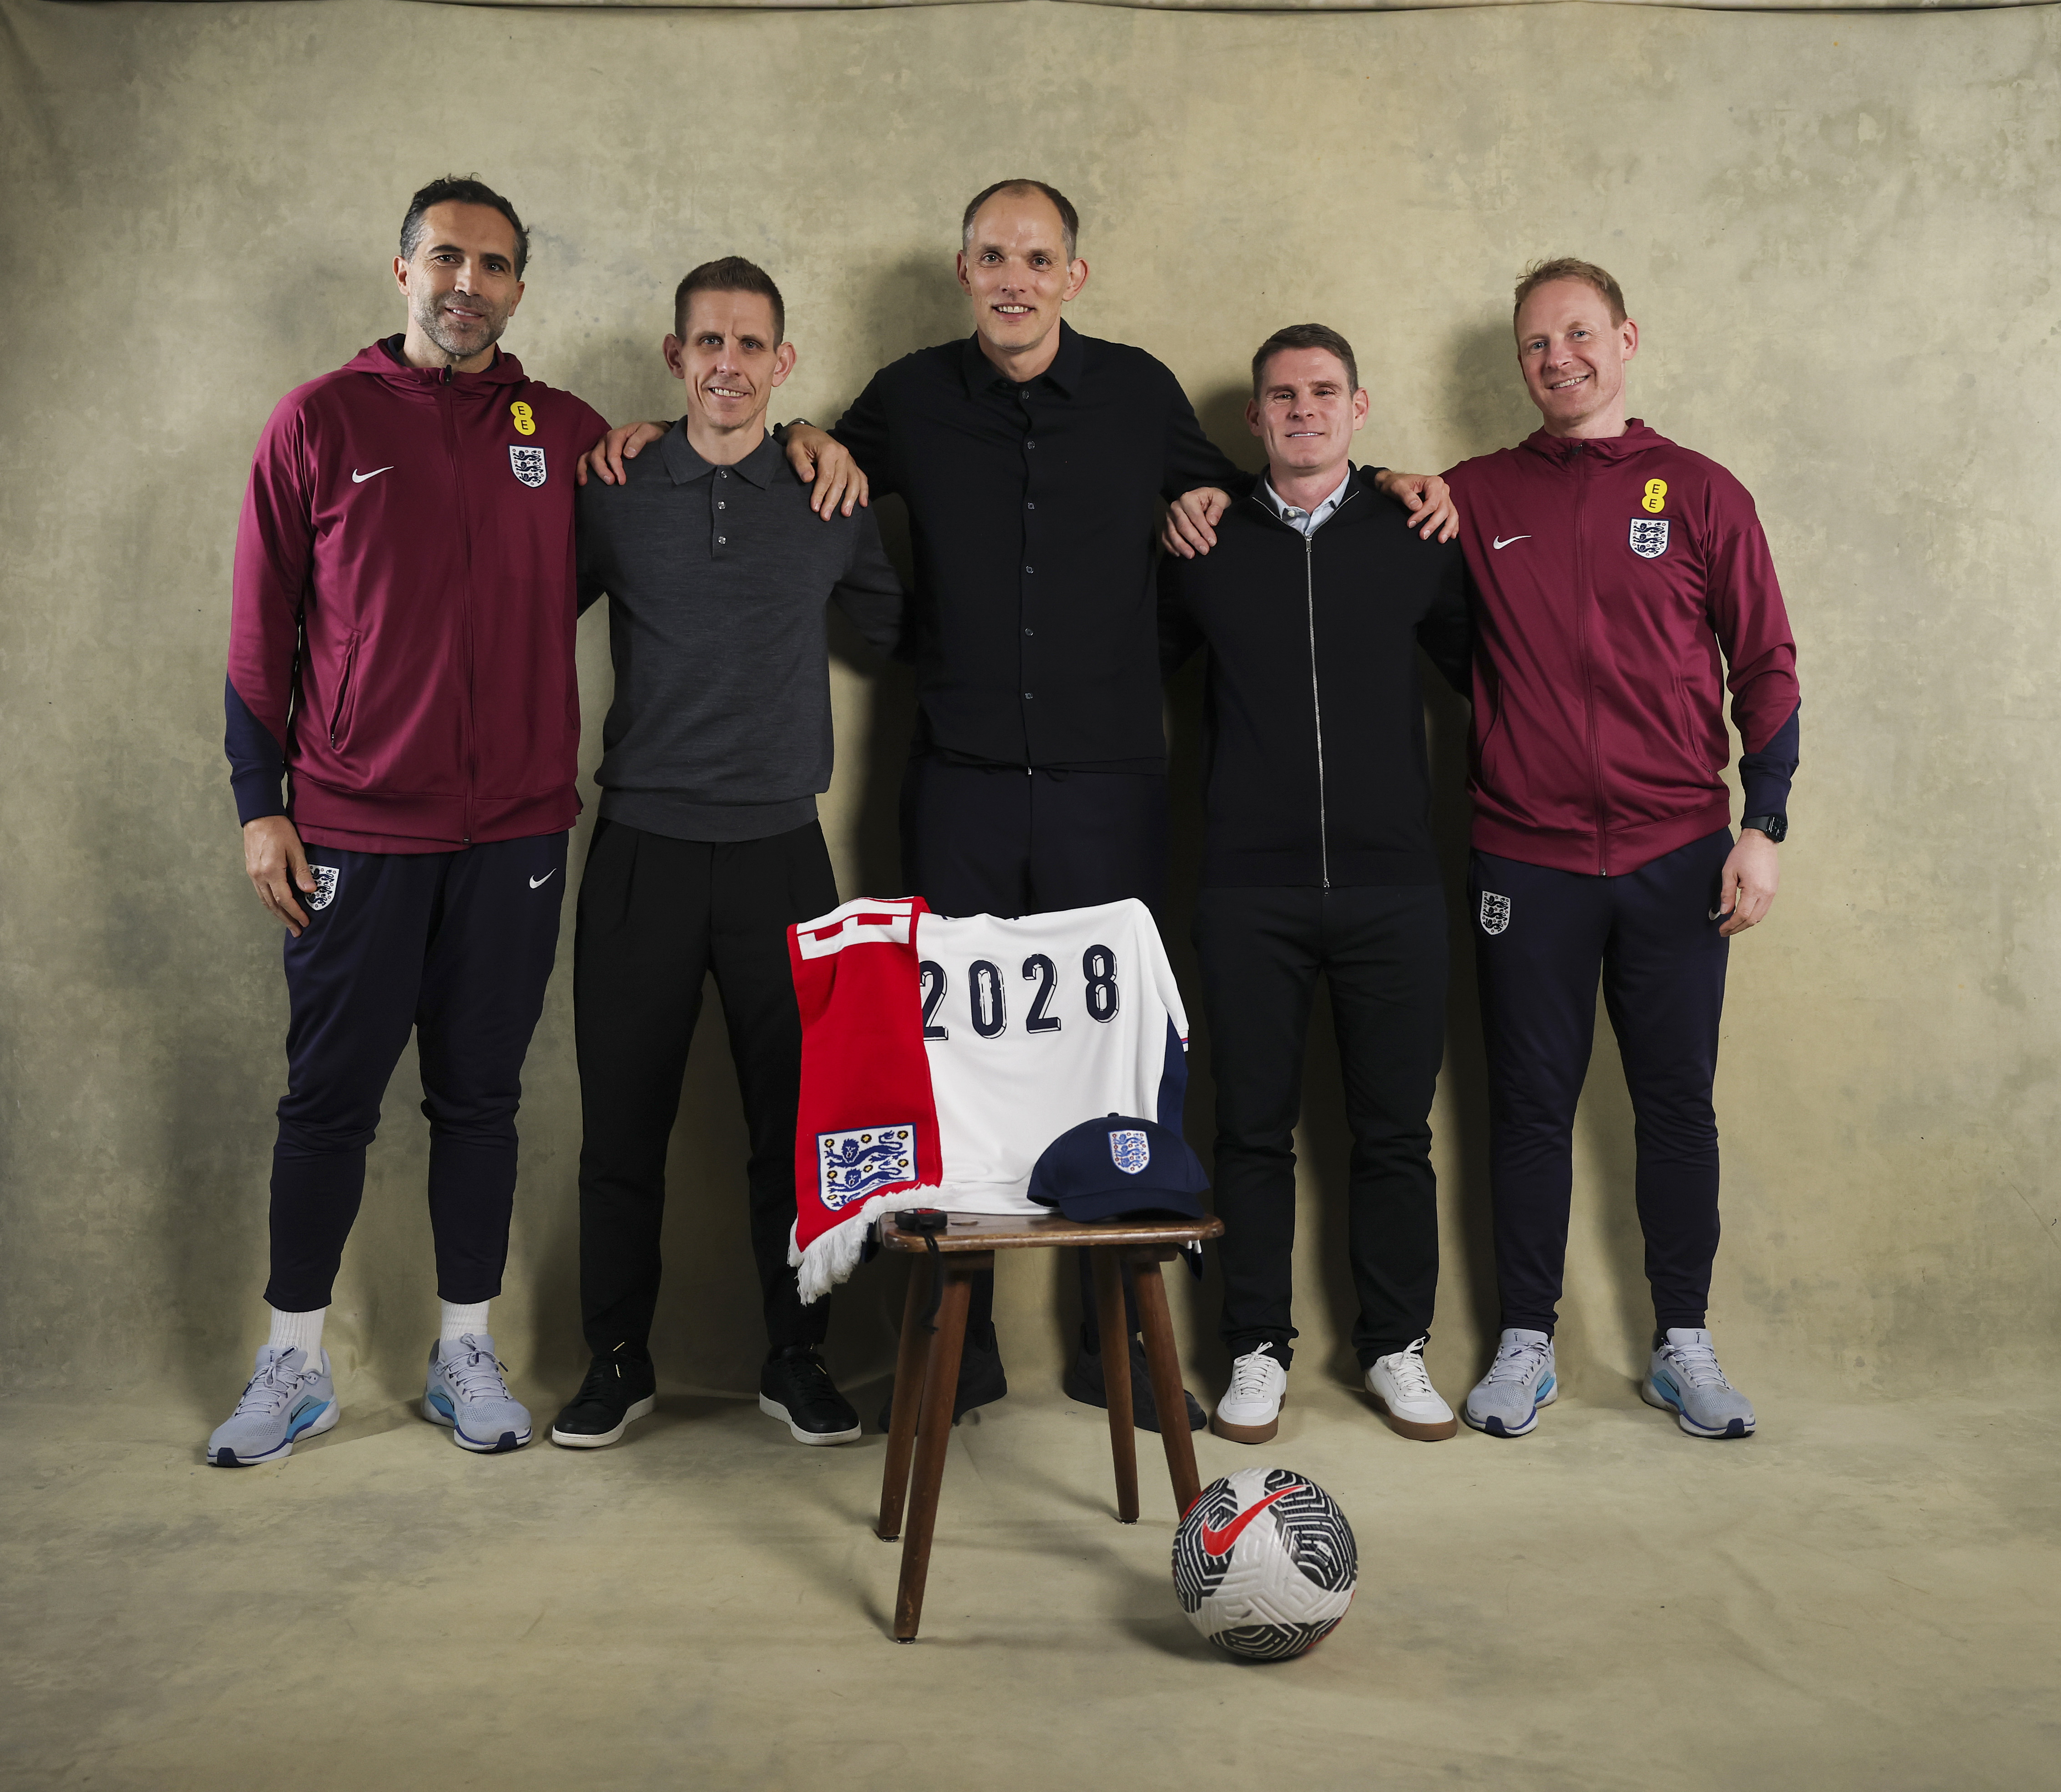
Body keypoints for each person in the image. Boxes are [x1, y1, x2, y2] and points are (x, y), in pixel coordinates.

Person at [588, 179, 1459, 1431]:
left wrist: (1383, 482)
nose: (1014, 278)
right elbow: (793, 451)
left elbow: (1276, 491)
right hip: (960, 781)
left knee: (1119, 1059)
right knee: (948, 1062)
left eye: (1036, 258)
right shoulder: (905, 398)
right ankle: (961, 1350)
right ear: (964, 271)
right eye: (993, 256)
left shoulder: (1138, 394)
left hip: (1112, 784)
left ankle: (1117, 1346)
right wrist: (756, 433)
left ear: (1071, 276)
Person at [1177, 260, 1800, 1440]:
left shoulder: (1700, 492)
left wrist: (1759, 824)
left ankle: (1682, 1340)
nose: (1558, 357)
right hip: (1525, 858)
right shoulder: (1464, 496)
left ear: (1623, 339)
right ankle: (1523, 1341)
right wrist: (1278, 490)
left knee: (1675, 1106)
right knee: (1523, 1109)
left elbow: (1765, 663)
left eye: (1578, 334)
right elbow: (1370, 525)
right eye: (1535, 343)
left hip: (1676, 848)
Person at [210, 176, 609, 1465]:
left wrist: (806, 438)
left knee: (480, 1099)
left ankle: (463, 1353)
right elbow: (260, 631)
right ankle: (291, 1363)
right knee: (327, 1101)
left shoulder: (564, 430)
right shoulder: (319, 420)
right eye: (445, 258)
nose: (466, 284)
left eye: (492, 266)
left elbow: (681, 483)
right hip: (353, 827)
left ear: (518, 288)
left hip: (516, 832)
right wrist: (259, 804)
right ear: (403, 272)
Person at [550, 258, 907, 1452]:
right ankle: (615, 1359)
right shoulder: (614, 489)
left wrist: (826, 447)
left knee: (795, 1135)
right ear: (675, 356)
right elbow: (518, 618)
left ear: (782, 363)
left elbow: (902, 630)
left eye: (751, 344)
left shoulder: (826, 497)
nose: (728, 364)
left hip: (779, 855)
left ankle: (795, 1358)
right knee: (621, 1133)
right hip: (641, 851)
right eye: (708, 341)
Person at [1160, 324, 1470, 1446]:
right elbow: (1126, 668)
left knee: (1394, 1134)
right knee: (1250, 1131)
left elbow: (1491, 671)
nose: (1303, 409)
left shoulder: (1413, 531)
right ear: (1253, 418)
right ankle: (1254, 1347)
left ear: (1357, 407)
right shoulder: (1201, 540)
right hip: (1249, 888)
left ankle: (1395, 1345)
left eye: (1323, 391)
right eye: (1282, 396)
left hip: (1393, 885)